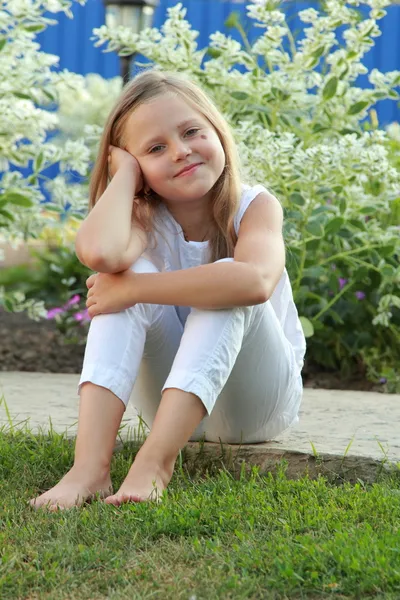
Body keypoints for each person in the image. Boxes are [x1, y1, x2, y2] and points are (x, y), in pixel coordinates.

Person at [29, 68, 306, 511]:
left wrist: (137, 288)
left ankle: (155, 463)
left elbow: (254, 281)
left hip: (256, 407)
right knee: (121, 276)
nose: (180, 152)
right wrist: (122, 177)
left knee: (227, 279)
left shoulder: (254, 207)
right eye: (155, 148)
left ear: (217, 130)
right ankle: (88, 469)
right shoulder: (143, 217)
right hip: (168, 407)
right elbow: (99, 253)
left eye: (192, 131)